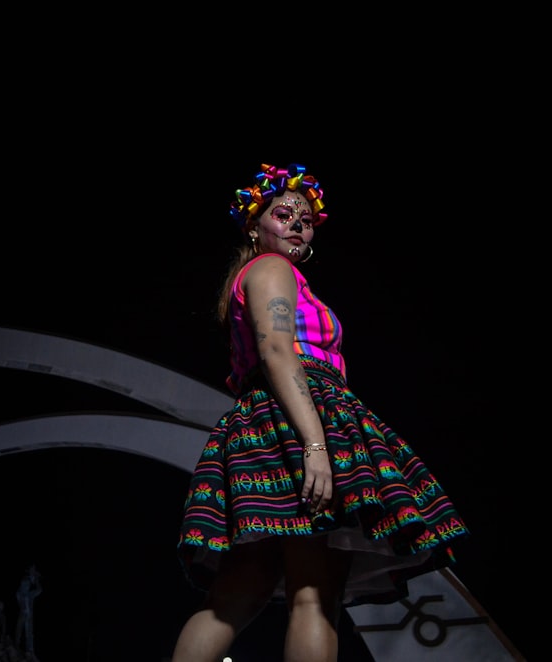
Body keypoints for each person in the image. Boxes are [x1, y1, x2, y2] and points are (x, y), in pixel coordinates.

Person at [171, 162, 470, 662]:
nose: (296, 223)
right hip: (296, 421)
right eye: (283, 213)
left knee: (244, 586)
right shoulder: (271, 268)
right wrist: (315, 446)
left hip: (274, 421)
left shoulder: (268, 274)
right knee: (315, 592)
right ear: (254, 224)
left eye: (305, 219)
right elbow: (278, 351)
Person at [14, 565, 42, 658]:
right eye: (23, 585)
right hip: (22, 614)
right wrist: (30, 576)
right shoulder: (19, 593)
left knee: (29, 633)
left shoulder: (31, 594)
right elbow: (18, 599)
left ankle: (30, 650)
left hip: (29, 616)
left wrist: (36, 579)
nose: (25, 587)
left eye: (26, 586)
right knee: (19, 629)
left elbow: (39, 589)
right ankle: (16, 645)